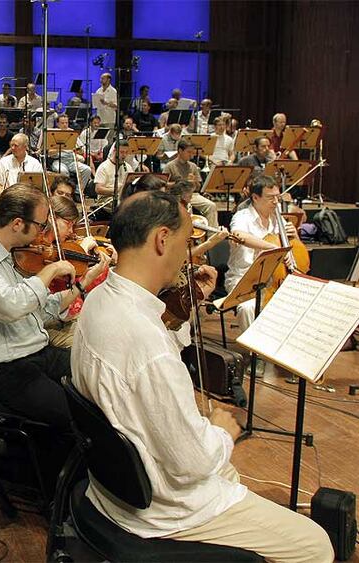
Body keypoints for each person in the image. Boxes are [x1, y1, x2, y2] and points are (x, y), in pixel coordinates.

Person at [71, 190, 333, 563]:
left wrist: (188, 304)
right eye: (187, 241)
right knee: (316, 546)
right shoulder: (147, 343)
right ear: (162, 239)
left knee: (226, 474)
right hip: (161, 509)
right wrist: (222, 432)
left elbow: (150, 351)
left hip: (110, 489)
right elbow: (190, 462)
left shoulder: (101, 300)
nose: (189, 252)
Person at [0, 183, 85, 429]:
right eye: (40, 224)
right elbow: (11, 306)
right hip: (5, 367)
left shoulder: (15, 255)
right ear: (18, 224)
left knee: (97, 380)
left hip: (39, 352)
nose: (42, 232)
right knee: (77, 416)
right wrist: (51, 270)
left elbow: (41, 309)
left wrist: (82, 285)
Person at [225, 175, 299, 335]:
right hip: (244, 279)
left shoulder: (277, 218)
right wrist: (273, 249)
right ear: (255, 197)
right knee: (247, 308)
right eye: (270, 198)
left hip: (275, 282)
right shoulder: (242, 217)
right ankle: (256, 355)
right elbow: (239, 234)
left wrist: (295, 235)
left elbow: (295, 249)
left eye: (277, 197)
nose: (275, 202)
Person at [42, 195, 111, 348]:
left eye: (74, 225)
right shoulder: (41, 251)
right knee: (95, 344)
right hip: (47, 323)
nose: (72, 231)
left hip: (67, 316)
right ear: (52, 218)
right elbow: (63, 288)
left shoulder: (62, 247)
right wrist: (84, 254)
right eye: (68, 224)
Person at [164, 139, 219, 227]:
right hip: (176, 196)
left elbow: (198, 188)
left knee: (211, 205)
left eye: (192, 152)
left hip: (192, 195)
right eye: (189, 152)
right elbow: (164, 186)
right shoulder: (170, 166)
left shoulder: (193, 166)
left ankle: (212, 235)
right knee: (187, 206)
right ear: (180, 151)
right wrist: (179, 183)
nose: (191, 155)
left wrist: (195, 182)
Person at [48, 114, 92, 189]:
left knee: (87, 169)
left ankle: (78, 191)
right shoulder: (53, 133)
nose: (65, 125)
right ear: (58, 124)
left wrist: (79, 150)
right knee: (63, 171)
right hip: (59, 160)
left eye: (66, 123)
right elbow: (50, 153)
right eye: (62, 123)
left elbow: (81, 150)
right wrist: (62, 146)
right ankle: (65, 190)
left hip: (71, 160)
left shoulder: (71, 133)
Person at [94, 140, 133, 217]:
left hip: (122, 199)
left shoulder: (128, 167)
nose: (124, 155)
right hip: (107, 201)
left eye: (126, 152)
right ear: (114, 151)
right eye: (122, 152)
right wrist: (117, 190)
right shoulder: (104, 167)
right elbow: (98, 189)